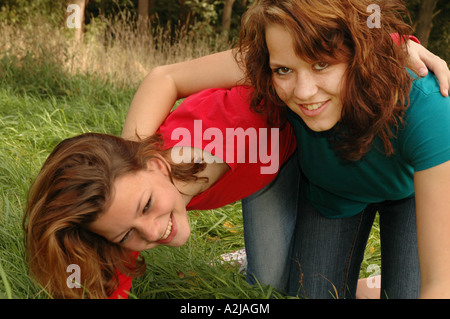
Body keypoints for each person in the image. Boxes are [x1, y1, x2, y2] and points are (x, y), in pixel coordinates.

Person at [120, 0, 450, 298]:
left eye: (322, 64)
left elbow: (440, 283)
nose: (304, 92)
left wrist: (390, 41)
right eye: (284, 71)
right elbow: (165, 77)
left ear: (362, 52)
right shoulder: (273, 63)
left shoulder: (429, 106)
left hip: (410, 193)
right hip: (332, 193)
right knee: (299, 291)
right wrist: (130, 172)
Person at [23, 86, 296, 298]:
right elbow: (112, 280)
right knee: (267, 285)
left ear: (156, 165)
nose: (152, 234)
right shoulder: (126, 204)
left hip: (319, 150)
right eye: (126, 234)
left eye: (146, 206)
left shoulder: (235, 124)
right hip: (271, 171)